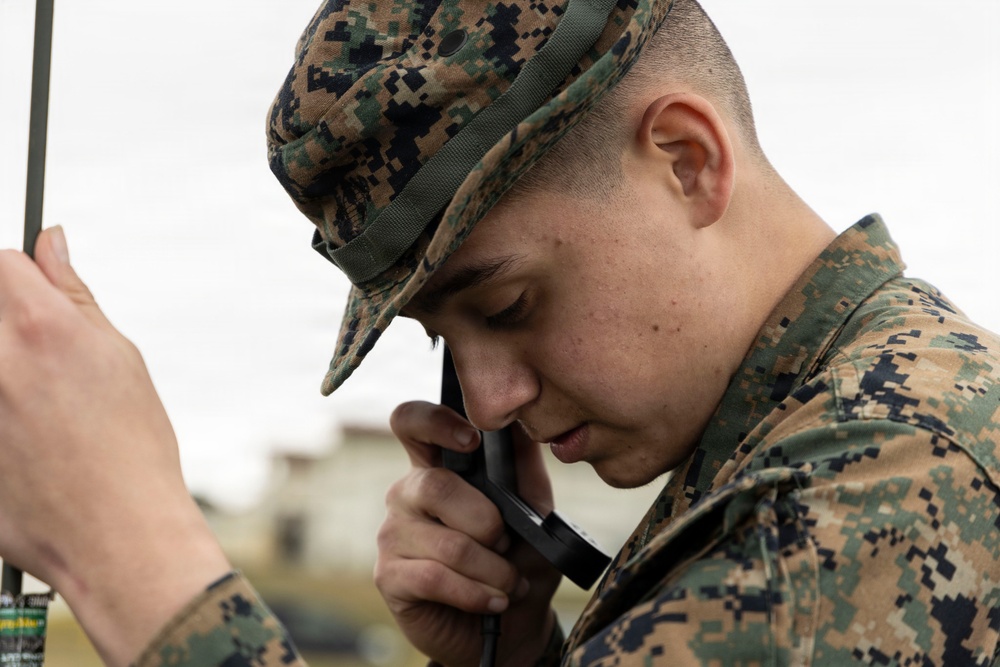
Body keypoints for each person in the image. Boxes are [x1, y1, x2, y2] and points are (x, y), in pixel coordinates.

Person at [0, 2, 997, 667]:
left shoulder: (884, 482)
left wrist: (130, 555)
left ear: (687, 162)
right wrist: (516, 651)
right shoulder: (801, 441)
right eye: (442, 337)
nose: (486, 403)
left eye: (508, 305)